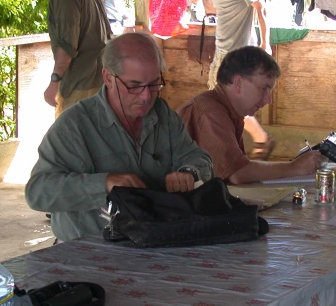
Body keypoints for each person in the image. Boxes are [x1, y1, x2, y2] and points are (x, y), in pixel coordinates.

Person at [25, 32, 213, 242]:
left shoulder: (162, 114)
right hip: (87, 249)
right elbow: (37, 192)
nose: (145, 96)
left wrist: (189, 172)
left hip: (154, 240)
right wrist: (104, 184)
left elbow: (199, 158)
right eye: (134, 85)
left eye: (153, 84)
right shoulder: (75, 125)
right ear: (108, 78)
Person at [178, 46, 322, 184]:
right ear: (238, 83)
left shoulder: (230, 111)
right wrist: (295, 167)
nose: (268, 99)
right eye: (264, 88)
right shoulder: (209, 112)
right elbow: (237, 174)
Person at [191, 0, 275, 161]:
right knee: (217, 101)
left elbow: (260, 6)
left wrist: (265, 43)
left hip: (238, 55)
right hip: (222, 52)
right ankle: (243, 145)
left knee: (227, 104)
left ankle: (245, 145)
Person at [19, 0, 112, 118]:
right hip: (100, 77)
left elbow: (67, 45)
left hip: (82, 80)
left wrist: (54, 82)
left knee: (73, 138)